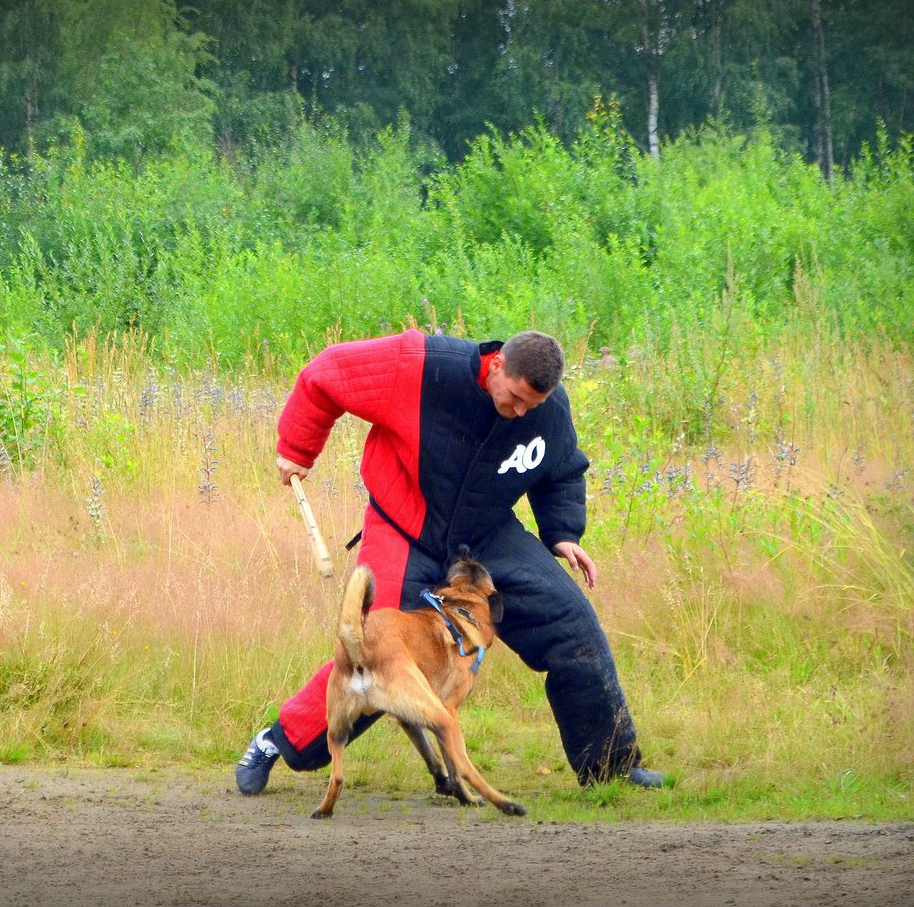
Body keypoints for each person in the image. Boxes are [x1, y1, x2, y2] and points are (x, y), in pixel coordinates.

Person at [236, 328, 664, 794]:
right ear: (497, 365)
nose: (521, 411)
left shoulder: (548, 411)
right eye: (516, 398)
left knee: (572, 622)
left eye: (532, 406)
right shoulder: (420, 364)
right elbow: (326, 373)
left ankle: (611, 770)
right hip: (404, 523)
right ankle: (277, 742)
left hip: (485, 536)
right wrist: (298, 450)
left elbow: (561, 470)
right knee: (375, 648)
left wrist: (563, 534)